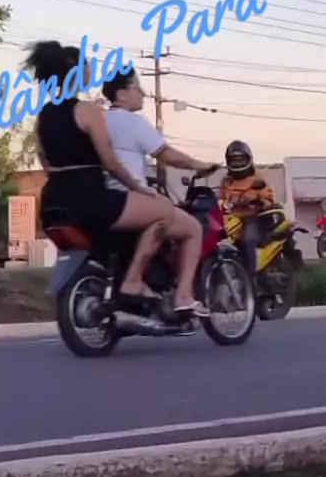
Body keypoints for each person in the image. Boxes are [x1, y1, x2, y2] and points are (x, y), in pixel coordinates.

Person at [25, 40, 211, 314]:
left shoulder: (43, 116)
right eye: (87, 66)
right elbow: (110, 162)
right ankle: (136, 282)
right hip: (89, 198)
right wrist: (138, 187)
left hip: (53, 201)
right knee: (162, 209)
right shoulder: (88, 111)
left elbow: (45, 162)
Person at [102, 67, 213, 196]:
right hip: (130, 195)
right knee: (172, 209)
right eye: (137, 88)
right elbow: (168, 156)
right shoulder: (131, 121)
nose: (143, 93)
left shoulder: (102, 119)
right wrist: (201, 165)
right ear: (122, 95)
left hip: (107, 195)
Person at [220, 141, 275, 275]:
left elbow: (268, 198)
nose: (238, 164)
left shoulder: (257, 178)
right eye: (234, 160)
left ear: (249, 159)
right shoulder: (226, 181)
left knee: (248, 240)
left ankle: (251, 277)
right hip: (231, 218)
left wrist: (258, 201)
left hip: (252, 217)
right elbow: (221, 198)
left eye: (241, 160)